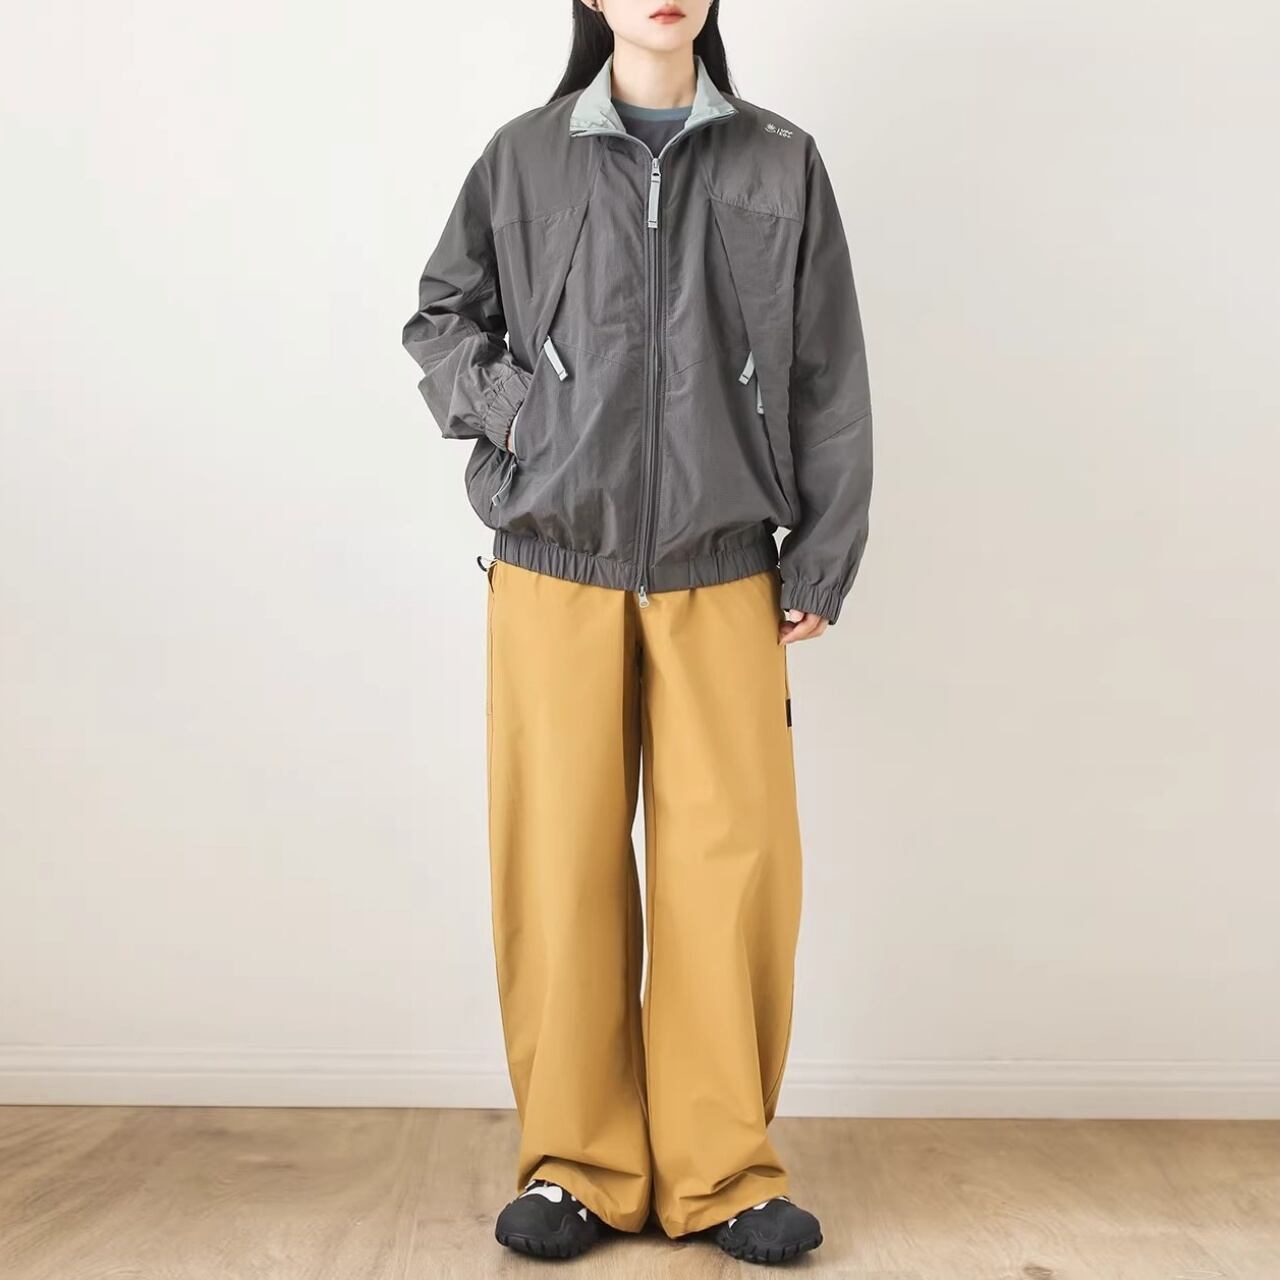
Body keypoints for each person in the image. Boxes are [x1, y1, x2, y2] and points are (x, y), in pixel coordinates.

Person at [401, 0, 871, 1264]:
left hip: (722, 564)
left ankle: (722, 1171)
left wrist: (822, 550)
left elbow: (826, 368)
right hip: (554, 562)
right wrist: (520, 417)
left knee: (732, 869)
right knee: (558, 862)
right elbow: (442, 315)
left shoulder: (780, 159)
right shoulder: (524, 155)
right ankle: (576, 1164)